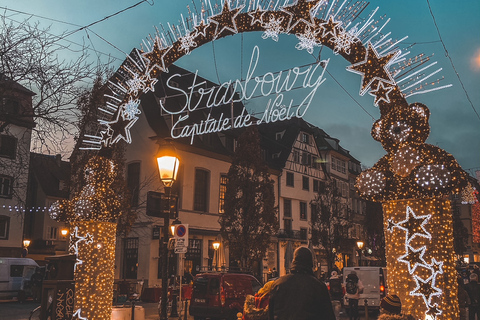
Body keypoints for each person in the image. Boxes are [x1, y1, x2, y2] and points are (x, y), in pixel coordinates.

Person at [268, 246, 335, 320]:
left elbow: (271, 313)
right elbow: (328, 315)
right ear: (311, 263)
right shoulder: (318, 287)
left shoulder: (277, 284)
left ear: (293, 261)